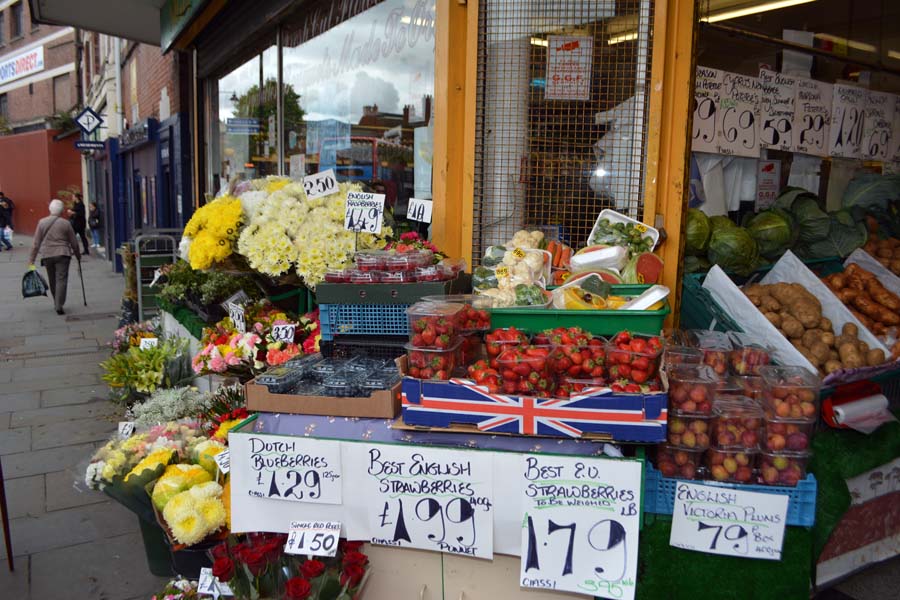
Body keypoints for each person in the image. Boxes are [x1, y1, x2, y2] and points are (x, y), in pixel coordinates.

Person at [29, 199, 81, 315]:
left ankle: (56, 302)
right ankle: (59, 304)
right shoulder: (65, 223)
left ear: (50, 209)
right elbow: (74, 242)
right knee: (61, 279)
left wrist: (31, 260)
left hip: (47, 255)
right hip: (63, 254)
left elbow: (36, 243)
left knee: (52, 280)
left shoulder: (42, 222)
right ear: (62, 211)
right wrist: (78, 255)